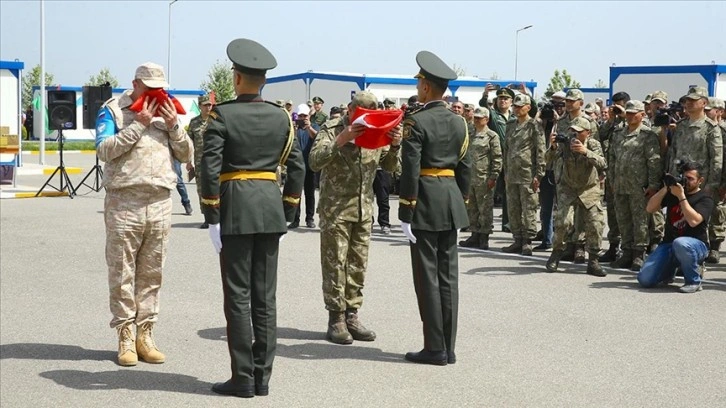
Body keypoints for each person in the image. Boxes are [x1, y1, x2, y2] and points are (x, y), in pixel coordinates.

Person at [201, 38, 305, 398]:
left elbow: (209, 167)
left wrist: (211, 214)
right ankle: (262, 378)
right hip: (269, 207)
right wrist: (289, 208)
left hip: (235, 208)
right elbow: (296, 167)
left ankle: (242, 378)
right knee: (266, 298)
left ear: (238, 77)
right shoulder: (281, 117)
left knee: (238, 297)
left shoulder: (222, 115)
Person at [95, 62, 193, 366]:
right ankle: (125, 335)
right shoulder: (113, 110)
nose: (154, 92)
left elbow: (187, 153)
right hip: (125, 202)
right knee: (122, 273)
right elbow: (104, 149)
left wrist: (174, 126)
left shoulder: (168, 111)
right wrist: (138, 123)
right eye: (148, 87)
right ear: (135, 83)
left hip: (161, 202)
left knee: (152, 274)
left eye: (158, 87)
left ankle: (145, 334)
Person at [309, 91, 401, 345]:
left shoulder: (376, 129)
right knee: (335, 264)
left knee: (358, 265)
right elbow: (314, 162)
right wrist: (342, 138)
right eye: (359, 111)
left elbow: (391, 167)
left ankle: (352, 315)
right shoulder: (332, 128)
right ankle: (336, 318)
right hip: (336, 210)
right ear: (350, 110)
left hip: (363, 210)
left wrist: (395, 144)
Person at [399, 50, 471, 366]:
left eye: (419, 83)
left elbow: (410, 168)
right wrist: (461, 201)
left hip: (425, 202)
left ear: (426, 87)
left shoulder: (416, 121)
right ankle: (449, 347)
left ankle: (434, 347)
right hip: (451, 199)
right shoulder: (460, 122)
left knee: (428, 276)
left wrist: (406, 210)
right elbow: (466, 167)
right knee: (449, 277)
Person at [666, 87, 723, 265]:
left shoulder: (710, 128)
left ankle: (705, 252)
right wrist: (670, 179)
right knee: (678, 217)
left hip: (701, 183)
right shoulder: (681, 126)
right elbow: (673, 153)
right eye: (687, 101)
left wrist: (712, 184)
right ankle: (678, 256)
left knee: (702, 219)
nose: (689, 104)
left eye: (694, 100)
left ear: (704, 103)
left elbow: (717, 158)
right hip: (680, 182)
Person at [637, 161, 713, 293]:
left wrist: (681, 197)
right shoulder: (673, 193)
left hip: (696, 245)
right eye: (684, 177)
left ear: (700, 180)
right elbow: (650, 208)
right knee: (645, 280)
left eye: (690, 179)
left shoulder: (705, 198)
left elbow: (694, 221)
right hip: (669, 245)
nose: (686, 181)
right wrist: (666, 188)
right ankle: (668, 271)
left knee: (681, 243)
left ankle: (693, 281)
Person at [545, 117, 607, 276]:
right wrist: (552, 147)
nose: (574, 135)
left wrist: (585, 152)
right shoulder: (564, 143)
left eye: (579, 132)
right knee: (562, 222)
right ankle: (556, 253)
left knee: (596, 223)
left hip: (589, 188)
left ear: (588, 133)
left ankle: (593, 261)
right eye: (573, 131)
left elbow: (602, 163)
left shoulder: (593, 144)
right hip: (568, 187)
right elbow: (547, 161)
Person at [607, 100, 662, 271]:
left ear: (642, 115)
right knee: (623, 220)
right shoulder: (618, 134)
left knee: (640, 221)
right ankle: (626, 252)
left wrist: (653, 185)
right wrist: (612, 181)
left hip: (640, 187)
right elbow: (612, 159)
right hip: (620, 185)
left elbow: (654, 161)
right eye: (628, 113)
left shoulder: (647, 135)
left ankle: (639, 253)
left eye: (634, 113)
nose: (630, 116)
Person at [501, 93, 545, 255]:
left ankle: (527, 241)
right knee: (513, 208)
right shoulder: (511, 125)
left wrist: (538, 174)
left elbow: (540, 151)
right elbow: (507, 149)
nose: (517, 109)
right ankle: (517, 239)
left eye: (520, 106)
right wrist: (505, 171)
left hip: (528, 173)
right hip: (512, 173)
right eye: (515, 106)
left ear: (528, 107)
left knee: (529, 208)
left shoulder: (534, 125)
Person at [459, 107, 502, 249]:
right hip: (469, 177)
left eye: (479, 118)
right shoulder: (469, 133)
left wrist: (494, 176)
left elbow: (497, 158)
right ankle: (474, 234)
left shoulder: (492, 136)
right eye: (475, 117)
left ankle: (484, 236)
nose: (476, 120)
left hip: (484, 177)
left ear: (487, 119)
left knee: (485, 208)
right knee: (472, 208)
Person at [289, 103, 320, 229]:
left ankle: (310, 218)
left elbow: (316, 137)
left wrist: (308, 127)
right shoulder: (293, 128)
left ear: (308, 116)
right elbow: (291, 141)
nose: (302, 118)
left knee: (310, 194)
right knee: (296, 194)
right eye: (300, 116)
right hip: (296, 166)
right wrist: (295, 129)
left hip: (309, 166)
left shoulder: (314, 126)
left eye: (304, 116)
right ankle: (295, 219)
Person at [186, 93, 213, 228]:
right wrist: (188, 161)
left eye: (210, 105)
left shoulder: (216, 120)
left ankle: (217, 216)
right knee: (201, 189)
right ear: (200, 106)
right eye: (205, 105)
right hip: (199, 162)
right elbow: (188, 143)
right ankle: (207, 217)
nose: (208, 107)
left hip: (215, 161)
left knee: (216, 188)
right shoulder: (194, 122)